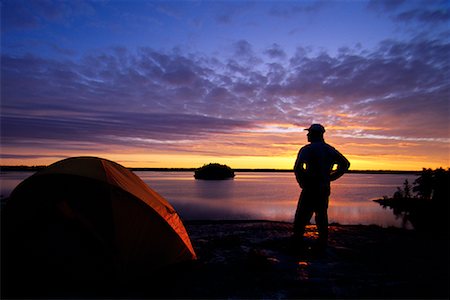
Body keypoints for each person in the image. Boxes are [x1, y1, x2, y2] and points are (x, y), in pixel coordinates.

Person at [293, 124, 350, 246]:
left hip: (310, 187)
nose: (307, 135)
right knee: (321, 215)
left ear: (315, 134)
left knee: (302, 216)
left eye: (309, 133)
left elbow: (298, 168)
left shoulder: (307, 149)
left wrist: (302, 182)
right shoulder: (329, 149)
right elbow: (345, 164)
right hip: (323, 187)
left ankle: (297, 242)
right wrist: (331, 177)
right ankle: (322, 241)